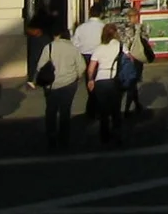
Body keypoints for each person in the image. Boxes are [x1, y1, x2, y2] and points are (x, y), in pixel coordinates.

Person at [30, 17, 83, 151]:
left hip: (52, 85)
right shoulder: (73, 48)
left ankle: (51, 138)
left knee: (51, 111)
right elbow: (81, 66)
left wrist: (37, 80)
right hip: (69, 83)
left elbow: (40, 66)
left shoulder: (49, 47)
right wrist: (76, 76)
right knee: (65, 111)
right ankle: (64, 139)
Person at [86, 24, 125, 146]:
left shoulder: (99, 48)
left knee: (103, 111)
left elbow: (91, 68)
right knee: (115, 110)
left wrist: (90, 80)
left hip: (101, 81)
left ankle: (104, 136)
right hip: (114, 80)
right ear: (115, 33)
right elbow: (130, 58)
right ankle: (117, 134)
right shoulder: (120, 46)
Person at [118, 20, 152, 118]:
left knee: (132, 82)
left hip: (126, 58)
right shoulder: (140, 27)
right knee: (133, 82)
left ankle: (136, 105)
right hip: (137, 57)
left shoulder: (122, 27)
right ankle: (128, 109)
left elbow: (121, 42)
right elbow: (146, 39)